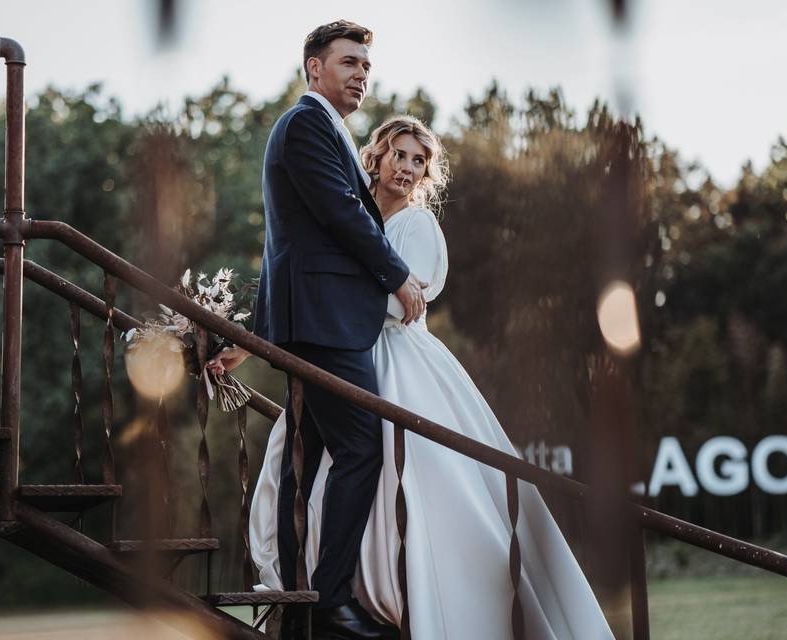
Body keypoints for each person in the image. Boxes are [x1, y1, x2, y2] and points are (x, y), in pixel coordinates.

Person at [211, 116, 614, 639]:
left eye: (418, 161)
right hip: (336, 355)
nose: (406, 167)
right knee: (303, 467)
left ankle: (394, 596)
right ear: (375, 157)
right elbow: (305, 293)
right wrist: (243, 346)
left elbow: (399, 307)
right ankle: (311, 593)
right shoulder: (348, 219)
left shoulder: (418, 227)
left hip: (395, 363)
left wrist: (342, 296)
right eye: (399, 154)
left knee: (408, 476)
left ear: (427, 174)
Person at [237, 19, 427, 640]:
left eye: (366, 68)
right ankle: (331, 602)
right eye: (349, 63)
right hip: (322, 321)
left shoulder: (331, 131)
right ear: (314, 67)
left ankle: (300, 605)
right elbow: (344, 214)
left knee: (303, 460)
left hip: (323, 318)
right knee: (362, 447)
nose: (361, 76)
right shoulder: (306, 125)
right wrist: (397, 276)